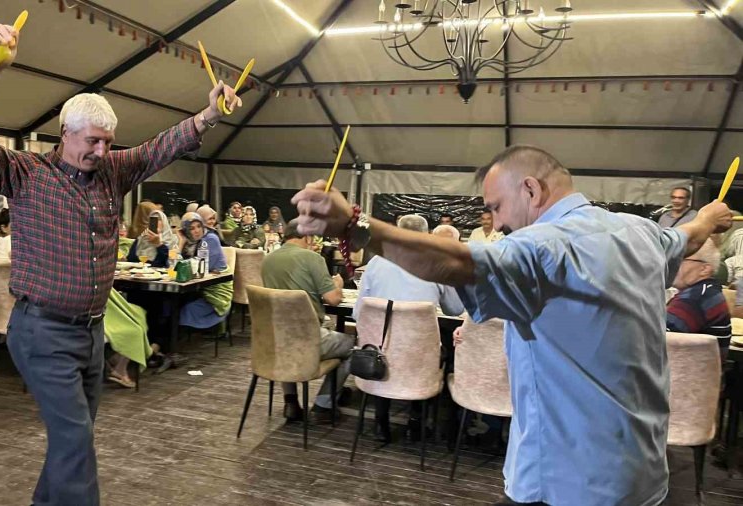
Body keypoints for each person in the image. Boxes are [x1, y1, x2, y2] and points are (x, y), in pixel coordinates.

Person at [291, 145, 731, 506]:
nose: (497, 222)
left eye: (496, 207)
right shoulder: (639, 232)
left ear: (531, 189)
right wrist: (710, 217)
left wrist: (355, 225)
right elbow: (689, 237)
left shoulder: (544, 246)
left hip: (567, 479)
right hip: (643, 468)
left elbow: (452, 261)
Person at [0, 21, 240, 506]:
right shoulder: (26, 173)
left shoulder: (112, 172)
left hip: (91, 333)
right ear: (65, 133)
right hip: (41, 332)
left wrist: (209, 115)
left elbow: (161, 147)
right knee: (75, 440)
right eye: (94, 141)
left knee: (72, 444)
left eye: (108, 142)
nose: (102, 151)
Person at [352, 214, 464, 443]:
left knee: (386, 347)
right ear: (427, 235)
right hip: (419, 355)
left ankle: (380, 423)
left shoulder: (376, 262)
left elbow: (358, 312)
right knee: (439, 350)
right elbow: (454, 309)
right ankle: (416, 421)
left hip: (380, 353)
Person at [261, 219, 354, 424]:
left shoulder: (268, 259)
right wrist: (337, 284)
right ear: (307, 236)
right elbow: (333, 299)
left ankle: (291, 402)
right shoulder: (312, 258)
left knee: (290, 336)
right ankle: (323, 405)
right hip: (309, 339)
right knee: (354, 347)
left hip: (275, 341)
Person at [666, 240, 731, 353]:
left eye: (681, 259)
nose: (673, 265)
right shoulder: (708, 291)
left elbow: (654, 339)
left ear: (704, 269)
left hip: (683, 364)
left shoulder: (693, 299)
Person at [178, 212, 233, 330]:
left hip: (215, 295)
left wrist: (180, 249)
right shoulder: (190, 243)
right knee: (167, 303)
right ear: (185, 231)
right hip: (198, 289)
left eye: (199, 226)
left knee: (178, 307)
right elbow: (175, 266)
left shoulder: (210, 239)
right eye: (191, 228)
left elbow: (197, 269)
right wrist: (181, 243)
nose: (197, 231)